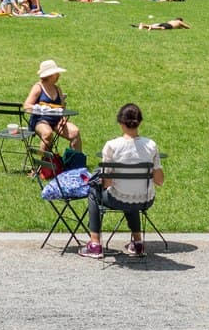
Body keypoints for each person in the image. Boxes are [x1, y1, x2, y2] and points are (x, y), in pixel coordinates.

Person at [80, 102, 162, 258]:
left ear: (121, 123)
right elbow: (159, 180)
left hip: (118, 199)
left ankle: (95, 244)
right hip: (145, 199)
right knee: (132, 193)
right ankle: (138, 243)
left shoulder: (112, 146)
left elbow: (107, 184)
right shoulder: (151, 145)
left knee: (94, 192)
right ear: (139, 122)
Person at [24, 59, 80, 159]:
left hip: (56, 120)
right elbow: (27, 106)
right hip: (40, 120)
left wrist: (63, 117)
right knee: (47, 134)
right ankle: (42, 164)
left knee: (75, 132)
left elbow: (62, 107)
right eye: (56, 73)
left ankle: (75, 164)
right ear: (49, 75)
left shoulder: (57, 89)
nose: (59, 75)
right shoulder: (38, 87)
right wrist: (41, 108)